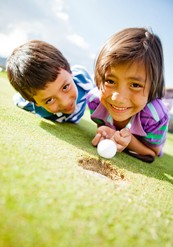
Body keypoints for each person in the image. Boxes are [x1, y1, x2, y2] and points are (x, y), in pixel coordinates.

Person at [87, 27, 169, 162]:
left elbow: (152, 152)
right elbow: (102, 125)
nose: (117, 98)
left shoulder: (155, 116)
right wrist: (108, 132)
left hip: (147, 140)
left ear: (152, 86)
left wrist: (129, 141)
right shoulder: (95, 101)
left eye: (135, 85)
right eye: (110, 81)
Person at [6, 40, 94, 123]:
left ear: (70, 72)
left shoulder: (83, 80)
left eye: (65, 87)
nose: (65, 102)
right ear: (36, 103)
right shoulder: (27, 104)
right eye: (49, 100)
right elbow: (17, 98)